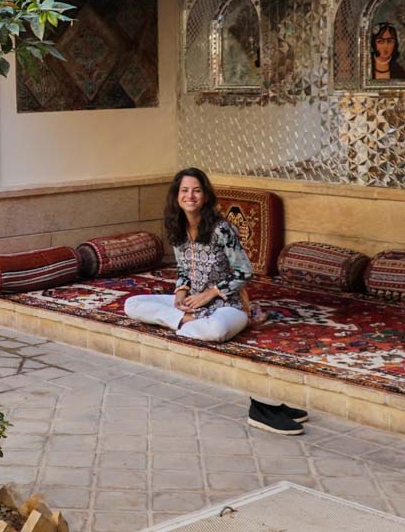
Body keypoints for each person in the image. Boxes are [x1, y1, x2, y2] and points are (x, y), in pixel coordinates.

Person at [125, 168, 307, 434]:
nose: (190, 196)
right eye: (184, 190)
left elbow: (244, 272)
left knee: (217, 330)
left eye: (196, 190)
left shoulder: (222, 229)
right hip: (192, 307)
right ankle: (185, 323)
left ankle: (186, 325)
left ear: (205, 195)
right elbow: (183, 269)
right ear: (177, 196)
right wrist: (180, 294)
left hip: (226, 305)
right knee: (132, 304)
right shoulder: (176, 227)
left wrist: (210, 293)